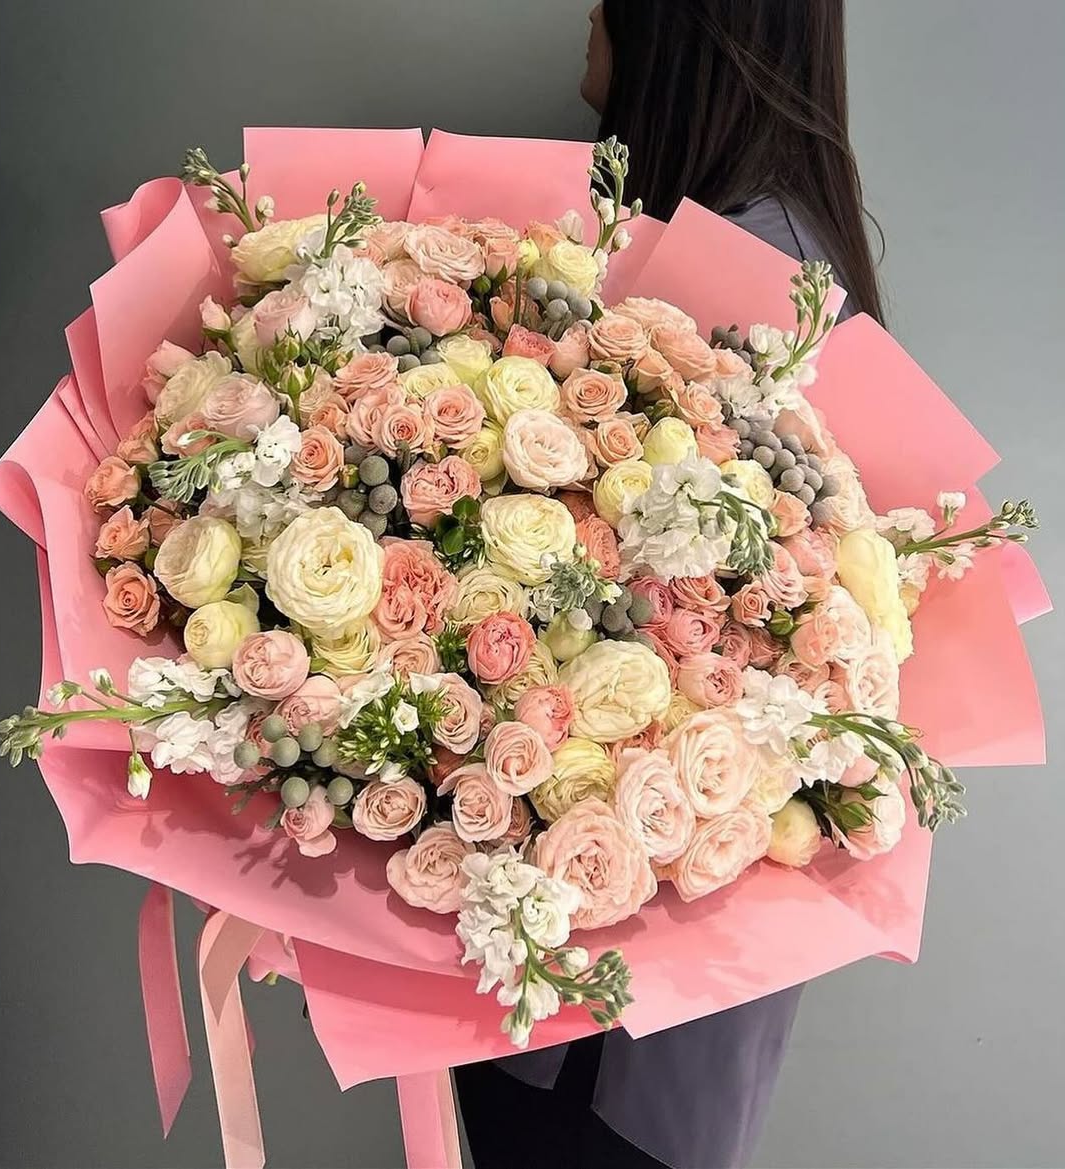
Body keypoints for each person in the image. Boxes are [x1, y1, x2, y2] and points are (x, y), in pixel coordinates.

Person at [454, 2, 886, 1167]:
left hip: (621, 1014)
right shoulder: (751, 240)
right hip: (614, 978)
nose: (589, 8)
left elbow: (679, 645)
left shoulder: (751, 267)